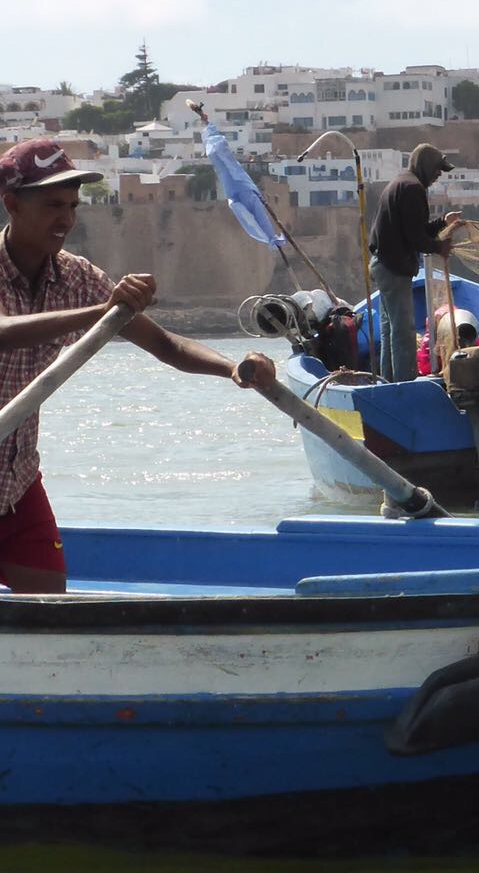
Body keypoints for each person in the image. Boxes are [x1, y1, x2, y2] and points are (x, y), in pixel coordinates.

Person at [0, 139, 276, 594]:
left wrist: (233, 369)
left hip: (17, 482)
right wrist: (105, 314)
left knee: (48, 605)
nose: (65, 219)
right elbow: (6, 329)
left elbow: (165, 344)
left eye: (71, 206)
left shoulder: (77, 277)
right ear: (11, 204)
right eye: (51, 205)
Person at [367, 143, 464, 382]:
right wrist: (439, 247)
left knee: (390, 330)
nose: (438, 175)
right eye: (437, 169)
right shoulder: (413, 189)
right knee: (403, 332)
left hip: (383, 264)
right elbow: (416, 238)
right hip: (393, 269)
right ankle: (404, 385)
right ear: (426, 166)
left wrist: (443, 221)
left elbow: (415, 230)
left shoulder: (402, 183)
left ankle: (388, 383)